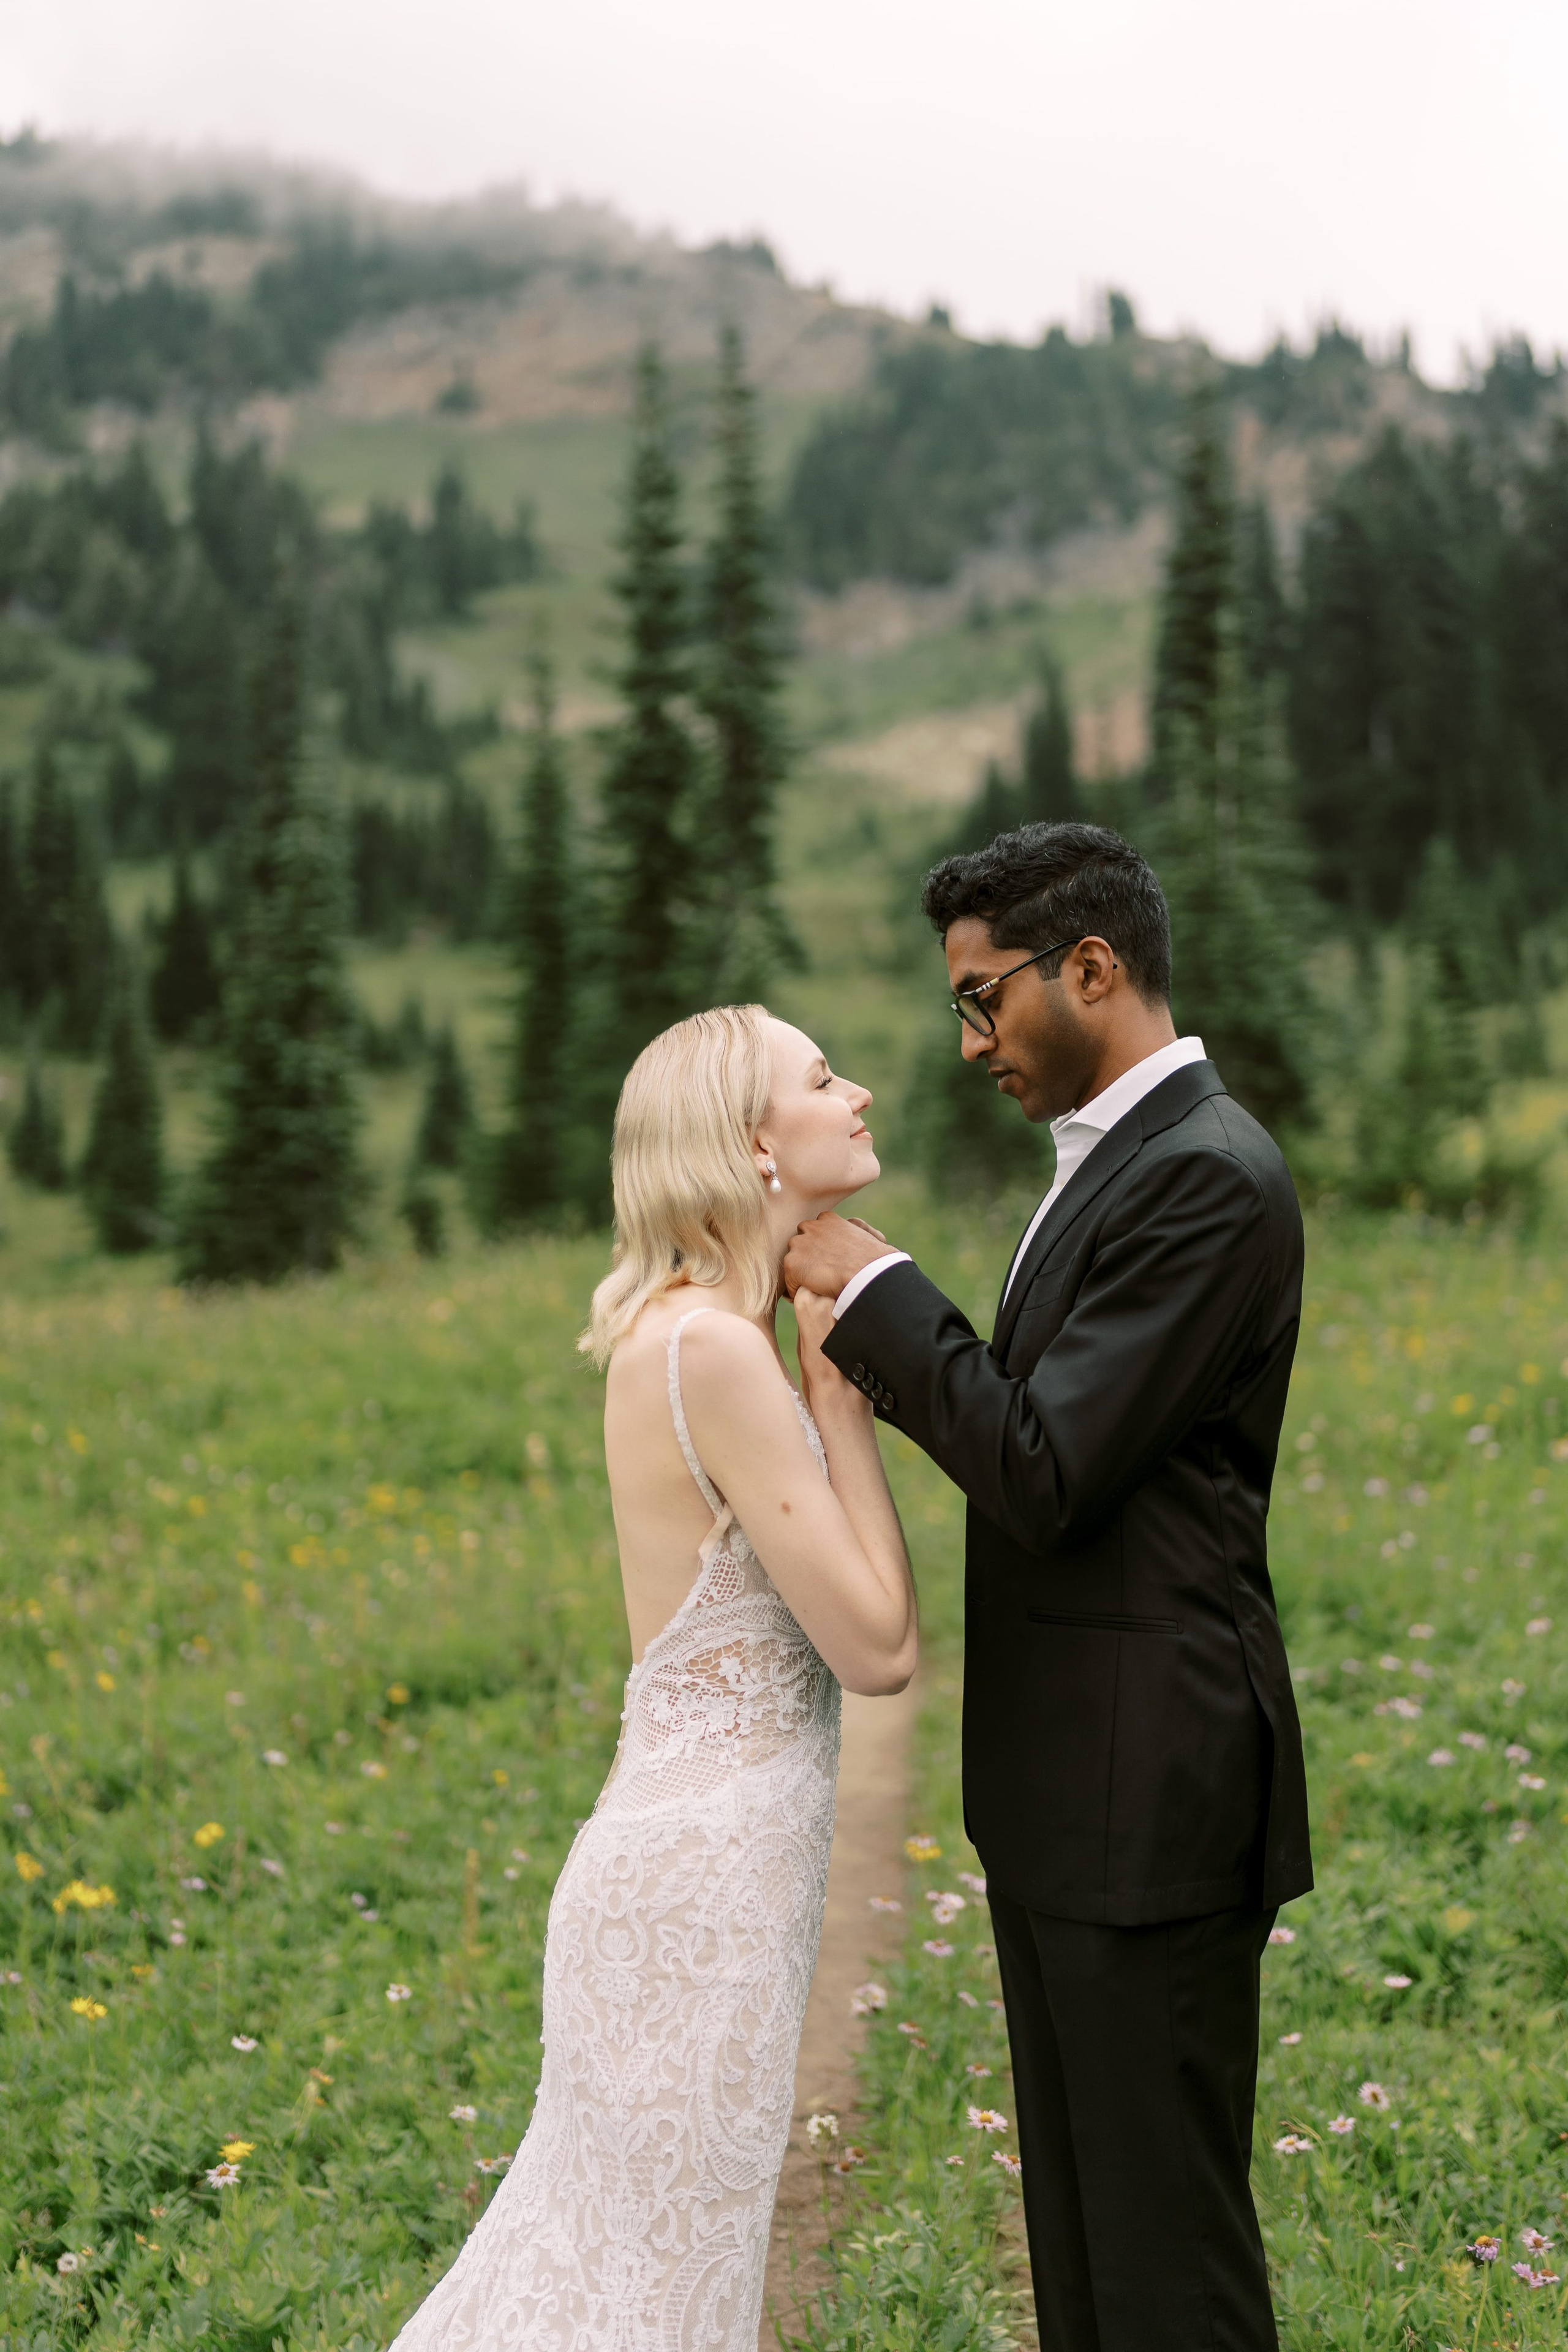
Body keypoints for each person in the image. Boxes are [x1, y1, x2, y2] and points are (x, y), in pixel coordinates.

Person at [783, 822, 1311, 2352]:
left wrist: (879, 1293)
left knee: (1166, 2262)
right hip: (1069, 1795)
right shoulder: (1118, 1160)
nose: (966, 1044)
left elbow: (1042, 1464)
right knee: (1084, 2246)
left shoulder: (1208, 1180)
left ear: (1089, 967)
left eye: (981, 998)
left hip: (1150, 1795)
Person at [390, 1004, 917, 2352]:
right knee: (646, 2291)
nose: (855, 1091)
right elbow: (880, 1650)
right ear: (751, 1145)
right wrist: (845, 1397)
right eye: (819, 1077)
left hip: (699, 1880)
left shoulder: (693, 1336)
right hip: (698, 1900)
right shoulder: (713, 1351)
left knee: (629, 2270)